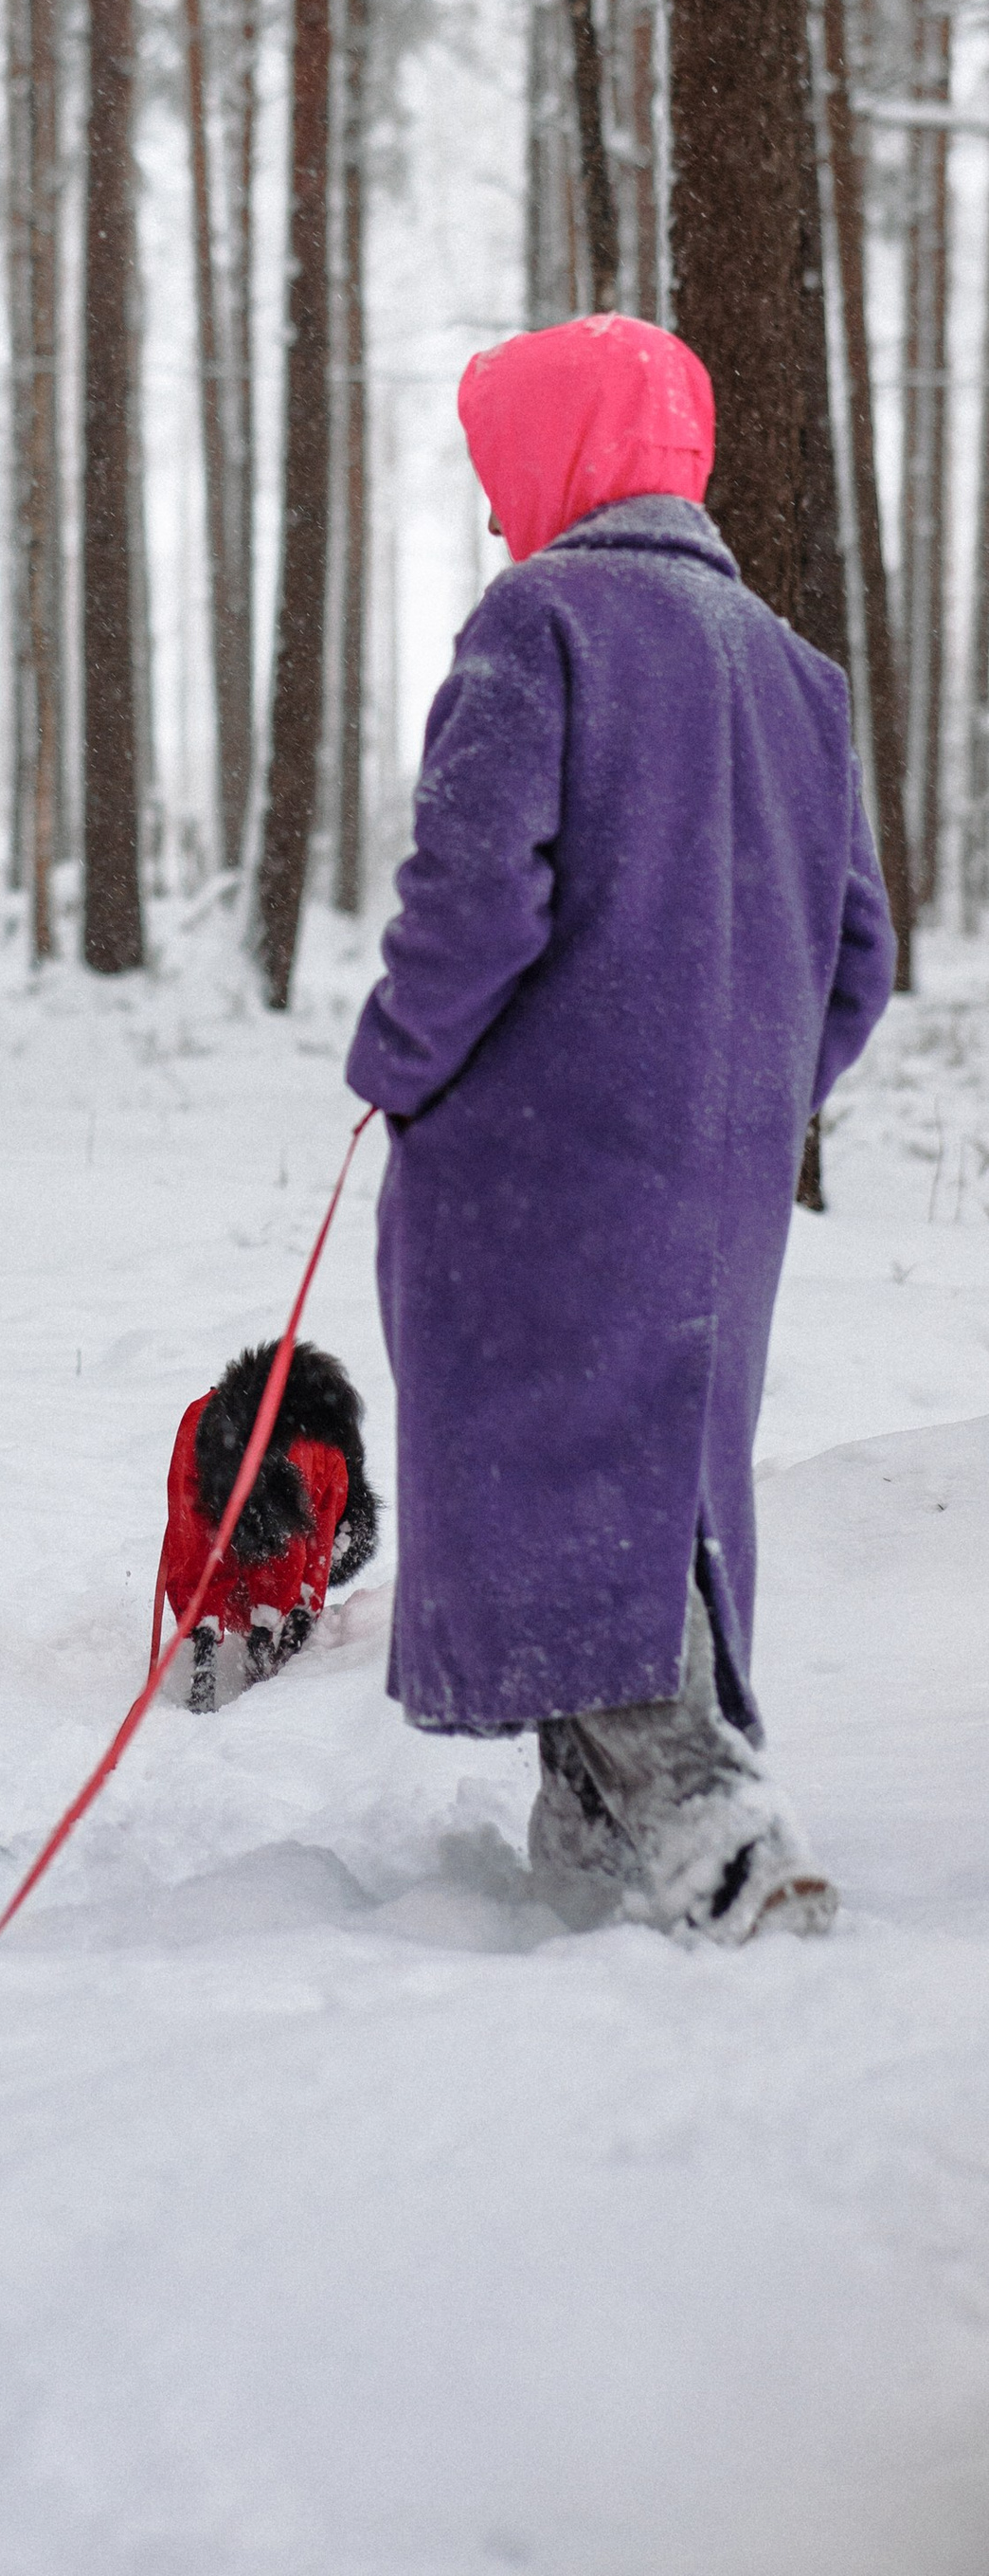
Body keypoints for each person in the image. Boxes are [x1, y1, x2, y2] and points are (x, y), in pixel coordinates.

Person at [347, 313, 895, 1943]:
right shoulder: (797, 674)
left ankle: (710, 1822)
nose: (497, 501)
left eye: (503, 458)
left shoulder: (542, 623)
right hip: (713, 1181)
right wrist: (744, 1091)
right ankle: (593, 1876)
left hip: (538, 1169)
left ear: (560, 452)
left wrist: (402, 1056)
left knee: (558, 1484)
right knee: (659, 1489)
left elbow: (471, 896)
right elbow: (857, 953)